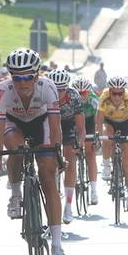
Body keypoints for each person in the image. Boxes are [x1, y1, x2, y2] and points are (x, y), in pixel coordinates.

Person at [0, 49, 65, 255]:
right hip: (15, 124)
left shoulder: (48, 88)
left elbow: (55, 125)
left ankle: (57, 244)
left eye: (27, 77)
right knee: (15, 150)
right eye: (16, 77)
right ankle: (15, 193)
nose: (22, 82)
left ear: (37, 76)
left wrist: (57, 151)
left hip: (41, 125)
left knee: (48, 177)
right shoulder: (3, 90)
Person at [96, 76, 128, 212]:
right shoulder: (104, 98)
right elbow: (99, 120)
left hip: (126, 123)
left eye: (120, 93)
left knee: (127, 163)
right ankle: (105, 164)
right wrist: (97, 136)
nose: (117, 97)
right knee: (106, 135)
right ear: (109, 92)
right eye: (114, 93)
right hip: (110, 122)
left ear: (124, 92)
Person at [46, 69, 85, 225]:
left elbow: (81, 126)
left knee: (70, 158)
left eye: (62, 89)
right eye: (56, 89)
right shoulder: (44, 94)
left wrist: (80, 142)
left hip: (69, 124)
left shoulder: (74, 96)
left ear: (67, 88)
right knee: (47, 158)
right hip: (49, 122)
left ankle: (68, 206)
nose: (59, 92)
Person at [71, 76, 100, 205]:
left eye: (84, 93)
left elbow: (98, 120)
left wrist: (96, 136)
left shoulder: (94, 100)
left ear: (89, 92)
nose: (81, 95)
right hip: (74, 121)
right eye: (79, 93)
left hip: (89, 122)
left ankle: (94, 190)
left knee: (90, 153)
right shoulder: (70, 99)